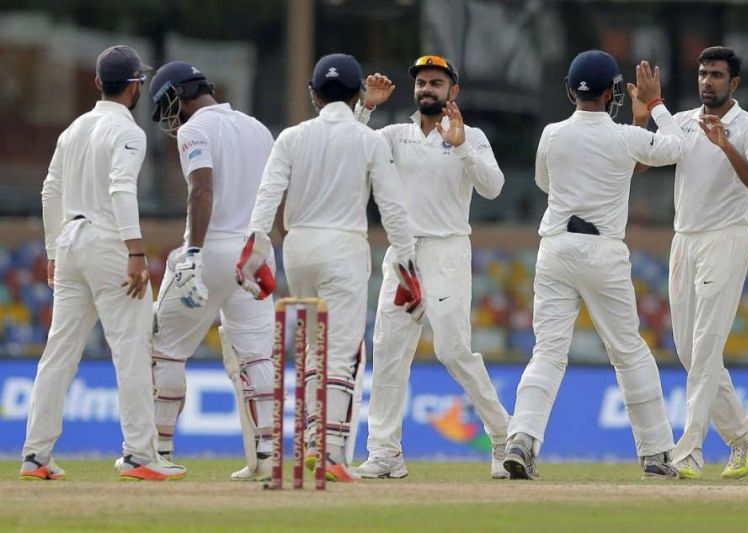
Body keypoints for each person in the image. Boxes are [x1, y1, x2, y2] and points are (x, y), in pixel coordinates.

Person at [503, 50, 687, 480]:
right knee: (628, 351)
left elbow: (545, 183)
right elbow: (678, 148)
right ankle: (657, 454)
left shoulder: (552, 134)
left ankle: (522, 441)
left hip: (556, 247)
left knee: (547, 352)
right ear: (612, 92)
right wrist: (656, 104)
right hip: (603, 252)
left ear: (571, 89)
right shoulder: (626, 137)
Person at [238, 53, 420, 482]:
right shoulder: (368, 140)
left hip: (298, 249)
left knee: (311, 350)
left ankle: (311, 442)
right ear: (358, 93)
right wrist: (410, 265)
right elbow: (392, 209)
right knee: (342, 352)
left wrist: (255, 250)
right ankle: (329, 450)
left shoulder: (292, 137)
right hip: (345, 247)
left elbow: (266, 198)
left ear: (314, 95)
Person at [20, 45, 186, 481]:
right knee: (132, 348)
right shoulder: (128, 132)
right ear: (135, 85)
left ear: (98, 82)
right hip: (109, 242)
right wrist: (135, 251)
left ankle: (35, 455)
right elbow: (120, 191)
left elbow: (49, 192)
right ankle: (139, 454)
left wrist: (54, 252)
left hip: (71, 240)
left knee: (60, 351)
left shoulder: (74, 129)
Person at [353, 55, 511, 480]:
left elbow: (493, 188)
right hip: (402, 254)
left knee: (453, 351)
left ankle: (504, 438)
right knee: (388, 353)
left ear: (452, 91)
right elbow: (348, 149)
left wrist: (460, 147)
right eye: (421, 82)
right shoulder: (393, 135)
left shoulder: (471, 136)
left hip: (447, 251)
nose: (427, 89)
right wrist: (365, 107)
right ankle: (385, 453)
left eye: (436, 83)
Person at [632, 46, 748, 480]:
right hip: (685, 239)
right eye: (702, 73)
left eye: (716, 75)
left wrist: (726, 145)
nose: (706, 81)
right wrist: (643, 118)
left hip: (727, 237)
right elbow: (638, 166)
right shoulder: (682, 124)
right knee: (690, 351)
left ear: (734, 83)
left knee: (707, 346)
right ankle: (746, 437)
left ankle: (688, 450)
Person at [146, 61, 277, 481]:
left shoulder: (193, 130)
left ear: (179, 95)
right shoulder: (259, 129)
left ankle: (159, 451)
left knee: (163, 347)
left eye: (167, 103)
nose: (169, 115)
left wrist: (193, 252)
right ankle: (268, 453)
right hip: (255, 250)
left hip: (213, 247)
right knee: (257, 353)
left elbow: (202, 189)